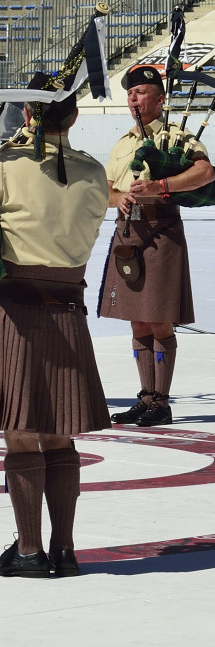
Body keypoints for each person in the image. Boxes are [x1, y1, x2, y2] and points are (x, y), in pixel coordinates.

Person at [0, 83, 110, 577]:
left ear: (28, 113)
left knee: (21, 434)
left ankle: (29, 550)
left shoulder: (0, 167)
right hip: (68, 308)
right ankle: (66, 550)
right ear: (73, 119)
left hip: (12, 308)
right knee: (59, 433)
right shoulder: (96, 173)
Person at [100, 65, 213, 427]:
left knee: (160, 318)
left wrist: (161, 187)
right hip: (128, 233)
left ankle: (161, 402)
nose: (134, 98)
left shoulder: (177, 137)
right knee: (137, 320)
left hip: (162, 231)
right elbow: (105, 189)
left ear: (160, 99)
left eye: (142, 92)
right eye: (130, 93)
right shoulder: (122, 144)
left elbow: (206, 173)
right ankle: (146, 397)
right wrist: (117, 198)